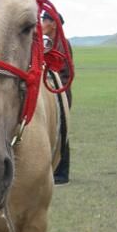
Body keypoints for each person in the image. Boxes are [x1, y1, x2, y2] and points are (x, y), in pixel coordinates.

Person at [41, 10, 73, 185]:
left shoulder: (63, 44)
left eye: (44, 20)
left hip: (61, 94)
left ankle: (62, 173)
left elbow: (64, 72)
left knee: (62, 131)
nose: (42, 23)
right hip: (49, 93)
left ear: (53, 24)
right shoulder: (48, 43)